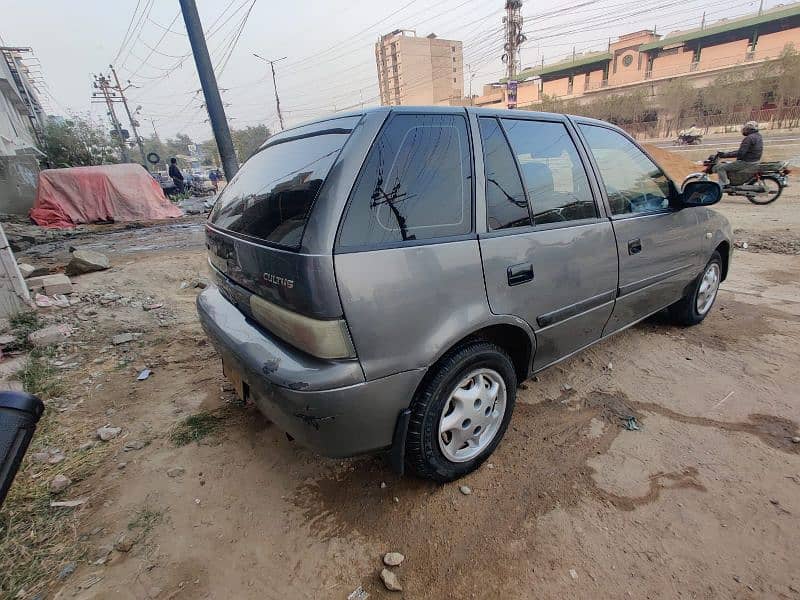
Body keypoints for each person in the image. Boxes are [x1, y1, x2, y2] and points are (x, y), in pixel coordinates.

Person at [712, 121, 763, 187]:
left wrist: (724, 155)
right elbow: (742, 151)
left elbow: (740, 153)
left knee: (721, 168)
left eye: (745, 129)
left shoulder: (749, 138)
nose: (744, 130)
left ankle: (724, 185)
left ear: (749, 129)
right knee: (727, 164)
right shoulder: (758, 136)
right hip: (754, 161)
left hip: (746, 162)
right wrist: (728, 153)